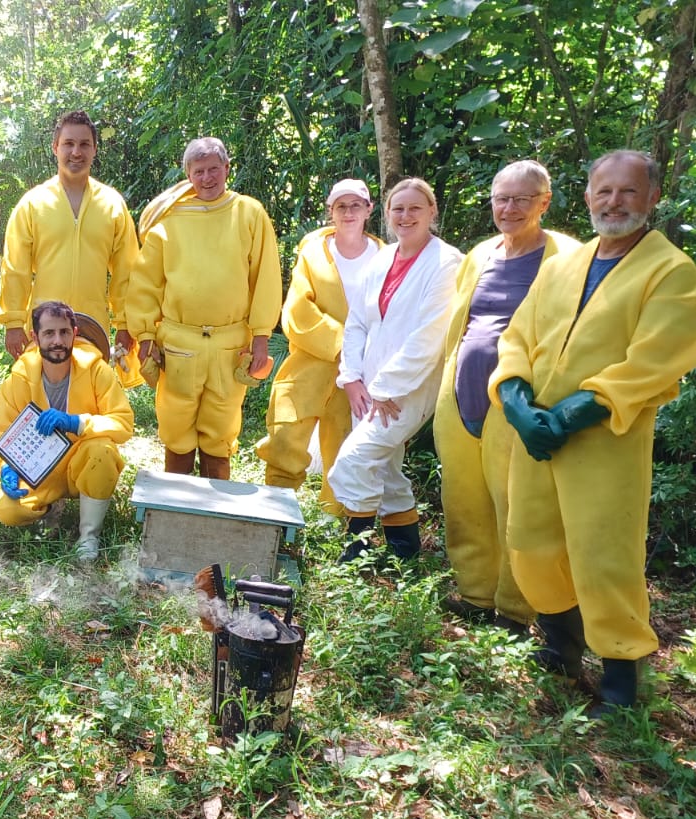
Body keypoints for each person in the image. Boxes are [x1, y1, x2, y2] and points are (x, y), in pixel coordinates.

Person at [490, 150, 696, 714]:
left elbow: (655, 359)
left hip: (604, 438)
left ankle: (621, 675)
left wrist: (576, 412)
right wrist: (516, 399)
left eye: (628, 191)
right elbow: (518, 334)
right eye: (604, 191)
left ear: (652, 197)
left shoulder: (669, 270)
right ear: (588, 196)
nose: (614, 202)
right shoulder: (563, 265)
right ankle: (561, 645)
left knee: (603, 555)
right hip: (537, 434)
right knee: (531, 543)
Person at [435, 161, 581, 634]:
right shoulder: (480, 254)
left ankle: (515, 609)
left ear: (544, 202)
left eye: (522, 199)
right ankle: (475, 594)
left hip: (519, 401)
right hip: (460, 393)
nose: (510, 208)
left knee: (517, 507)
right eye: (502, 198)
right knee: (464, 499)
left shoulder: (568, 257)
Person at [126, 137, 282, 481]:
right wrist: (146, 336)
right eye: (199, 171)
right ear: (188, 175)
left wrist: (261, 337)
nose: (207, 178)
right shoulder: (169, 220)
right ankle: (176, 501)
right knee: (175, 422)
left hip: (230, 342)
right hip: (179, 341)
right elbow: (145, 284)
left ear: (227, 168)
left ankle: (215, 505)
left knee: (222, 425)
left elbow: (266, 279)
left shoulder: (249, 213)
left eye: (214, 169)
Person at [327, 177, 462, 561]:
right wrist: (351, 378)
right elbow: (357, 322)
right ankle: (406, 551)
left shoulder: (446, 262)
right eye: (398, 209)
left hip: (408, 387)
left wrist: (386, 389)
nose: (406, 216)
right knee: (385, 465)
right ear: (386, 213)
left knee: (354, 460)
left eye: (415, 208)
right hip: (367, 384)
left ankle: (357, 552)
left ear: (432, 211)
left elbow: (429, 337)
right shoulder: (382, 259)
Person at [255, 178, 383, 511]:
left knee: (344, 446)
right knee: (285, 435)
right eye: (341, 206)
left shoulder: (386, 257)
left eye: (356, 205)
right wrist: (343, 346)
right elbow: (298, 310)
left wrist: (363, 357)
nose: (349, 212)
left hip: (361, 371)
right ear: (331, 211)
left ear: (369, 209)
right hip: (311, 362)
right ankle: (275, 514)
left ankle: (335, 521)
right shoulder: (313, 253)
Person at [0, 111, 140, 382]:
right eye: (68, 144)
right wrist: (13, 322)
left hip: (93, 328)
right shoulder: (32, 204)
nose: (76, 152)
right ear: (55, 147)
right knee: (43, 397)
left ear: (95, 149)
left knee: (90, 399)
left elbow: (127, 271)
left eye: (84, 144)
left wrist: (125, 323)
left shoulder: (112, 205)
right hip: (44, 328)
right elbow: (16, 269)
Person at [0, 301, 133, 560]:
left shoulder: (96, 369)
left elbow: (123, 423)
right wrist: (5, 466)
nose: (58, 341)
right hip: (38, 469)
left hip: (82, 461)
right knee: (9, 511)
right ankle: (49, 508)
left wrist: (77, 423)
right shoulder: (19, 377)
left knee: (103, 450)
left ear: (74, 333)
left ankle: (89, 536)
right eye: (49, 333)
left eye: (64, 332)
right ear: (35, 337)